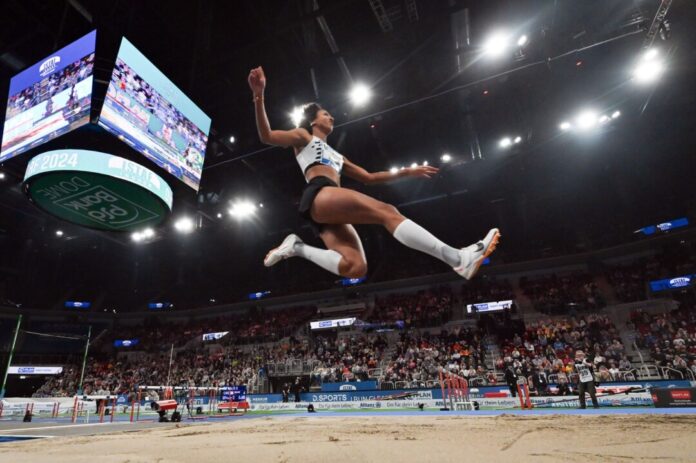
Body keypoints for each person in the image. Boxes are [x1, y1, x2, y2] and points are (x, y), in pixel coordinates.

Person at [248, 66, 500, 280]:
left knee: (356, 267)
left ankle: (298, 248)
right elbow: (266, 136)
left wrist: (407, 172)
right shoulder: (303, 136)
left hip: (329, 206)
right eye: (326, 114)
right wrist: (259, 96)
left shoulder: (337, 156)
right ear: (314, 121)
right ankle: (458, 258)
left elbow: (369, 177)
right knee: (387, 212)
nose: (332, 117)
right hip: (319, 193)